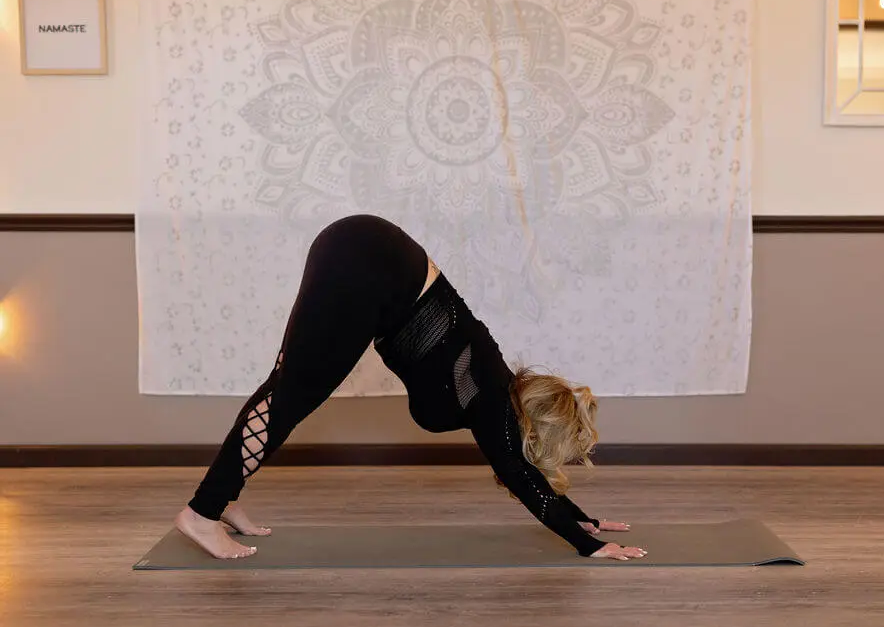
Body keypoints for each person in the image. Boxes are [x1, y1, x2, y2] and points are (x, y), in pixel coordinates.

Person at [175, 214, 647, 562]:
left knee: (283, 390)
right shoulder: (487, 396)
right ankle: (202, 512)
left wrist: (583, 518)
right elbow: (524, 478)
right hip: (368, 264)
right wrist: (590, 543)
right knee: (287, 398)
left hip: (366, 249)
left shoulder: (491, 378)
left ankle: (222, 496)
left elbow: (522, 471)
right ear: (536, 431)